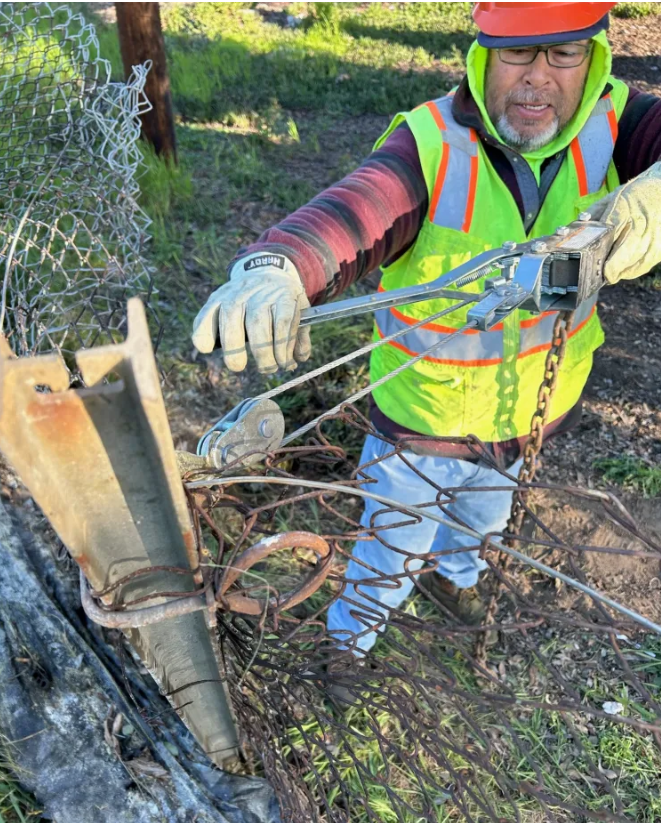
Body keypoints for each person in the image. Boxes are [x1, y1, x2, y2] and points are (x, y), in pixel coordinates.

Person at [192, 2, 661, 656]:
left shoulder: (620, 121)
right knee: (392, 547)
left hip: (525, 415)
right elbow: (359, 208)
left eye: (563, 55)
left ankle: (457, 577)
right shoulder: (431, 143)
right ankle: (347, 643)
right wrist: (280, 266)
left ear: (594, 60)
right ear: (481, 57)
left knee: (481, 523)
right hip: (420, 423)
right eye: (517, 54)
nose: (538, 79)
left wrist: (634, 212)